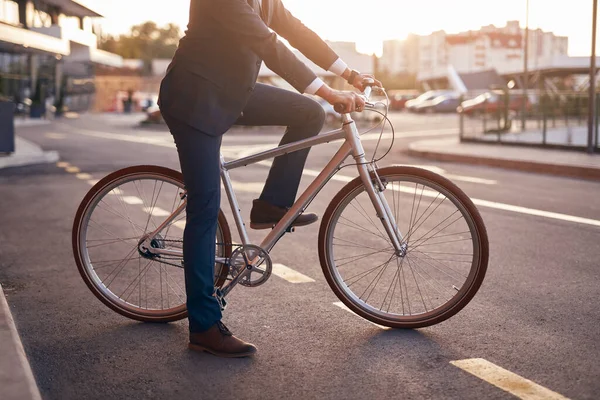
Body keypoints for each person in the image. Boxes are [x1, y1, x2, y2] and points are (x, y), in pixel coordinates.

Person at [158, 0, 381, 358]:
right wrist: (330, 92)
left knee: (308, 113)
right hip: (195, 97)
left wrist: (349, 73)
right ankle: (203, 326)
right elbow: (269, 43)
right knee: (205, 209)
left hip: (233, 90)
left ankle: (270, 205)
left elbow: (296, 31)